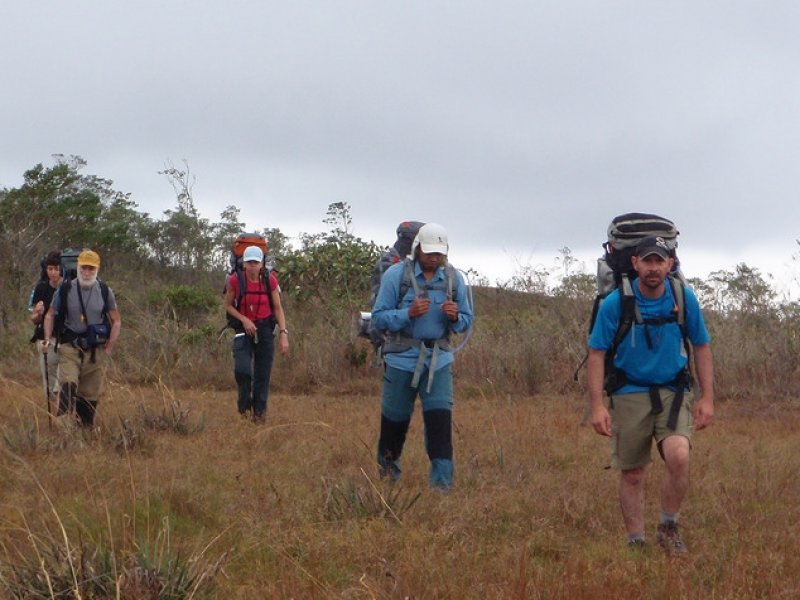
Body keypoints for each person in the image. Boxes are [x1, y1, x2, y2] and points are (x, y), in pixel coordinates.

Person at [587, 235, 714, 554]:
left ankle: (668, 527)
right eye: (648, 261)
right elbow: (597, 353)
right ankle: (636, 543)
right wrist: (597, 406)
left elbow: (701, 345)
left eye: (660, 260)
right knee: (633, 472)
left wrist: (707, 397)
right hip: (629, 392)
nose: (653, 268)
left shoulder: (683, 298)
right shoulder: (617, 302)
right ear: (635, 263)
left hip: (673, 391)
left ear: (670, 264)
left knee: (679, 456)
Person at [371, 223, 474, 491]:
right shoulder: (396, 276)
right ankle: (388, 482)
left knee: (440, 425)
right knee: (394, 423)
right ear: (417, 249)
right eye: (429, 253)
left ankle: (441, 487)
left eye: (439, 254)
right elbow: (379, 318)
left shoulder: (454, 279)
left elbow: (466, 321)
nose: (434, 259)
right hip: (400, 359)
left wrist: (455, 317)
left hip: (439, 361)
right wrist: (408, 314)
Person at [43, 249, 122, 427]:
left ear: (97, 270)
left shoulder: (104, 290)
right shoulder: (65, 289)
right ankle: (63, 430)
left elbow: (116, 320)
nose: (87, 273)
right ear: (78, 268)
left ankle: (85, 428)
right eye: (83, 268)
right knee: (67, 385)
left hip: (95, 349)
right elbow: (50, 315)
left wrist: (109, 346)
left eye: (91, 269)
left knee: (90, 393)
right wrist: (48, 338)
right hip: (69, 346)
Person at [224, 245, 289, 423]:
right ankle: (244, 405)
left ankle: (259, 416)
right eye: (249, 262)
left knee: (263, 374)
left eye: (255, 262)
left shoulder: (270, 281)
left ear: (262, 264)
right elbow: (228, 305)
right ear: (243, 264)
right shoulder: (235, 281)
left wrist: (283, 333)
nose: (252, 266)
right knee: (243, 371)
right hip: (242, 330)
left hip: (265, 330)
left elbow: (277, 308)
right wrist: (244, 320)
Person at [28, 250, 63, 410]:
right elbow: (34, 319)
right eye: (50, 269)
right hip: (46, 338)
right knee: (49, 380)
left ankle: (64, 412)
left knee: (63, 379)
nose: (53, 273)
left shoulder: (68, 287)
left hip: (66, 338)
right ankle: (54, 416)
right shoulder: (41, 288)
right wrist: (37, 313)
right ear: (46, 270)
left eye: (56, 269)